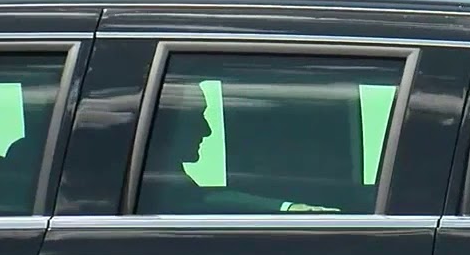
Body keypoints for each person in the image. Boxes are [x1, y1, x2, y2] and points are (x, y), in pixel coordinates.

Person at [138, 90, 339, 214]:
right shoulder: (153, 188)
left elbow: (210, 198)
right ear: (166, 125)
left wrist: (288, 208)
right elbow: (205, 203)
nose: (206, 131)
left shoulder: (162, 179)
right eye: (197, 117)